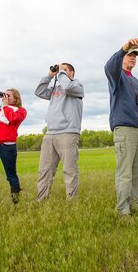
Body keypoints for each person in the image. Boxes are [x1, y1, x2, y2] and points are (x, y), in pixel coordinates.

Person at [104, 38, 138, 217]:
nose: (132, 58)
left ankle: (135, 205)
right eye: (129, 55)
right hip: (125, 129)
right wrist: (124, 48)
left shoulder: (135, 80)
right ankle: (123, 211)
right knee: (125, 173)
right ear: (122, 57)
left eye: (135, 56)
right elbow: (109, 66)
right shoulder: (116, 76)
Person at [35, 63, 84, 201]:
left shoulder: (77, 86)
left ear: (72, 73)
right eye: (60, 71)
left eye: (65, 70)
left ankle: (71, 202)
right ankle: (41, 201)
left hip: (68, 133)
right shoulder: (54, 88)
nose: (61, 72)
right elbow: (38, 92)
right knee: (45, 170)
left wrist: (61, 71)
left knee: (69, 170)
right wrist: (50, 76)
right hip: (50, 133)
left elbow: (67, 87)